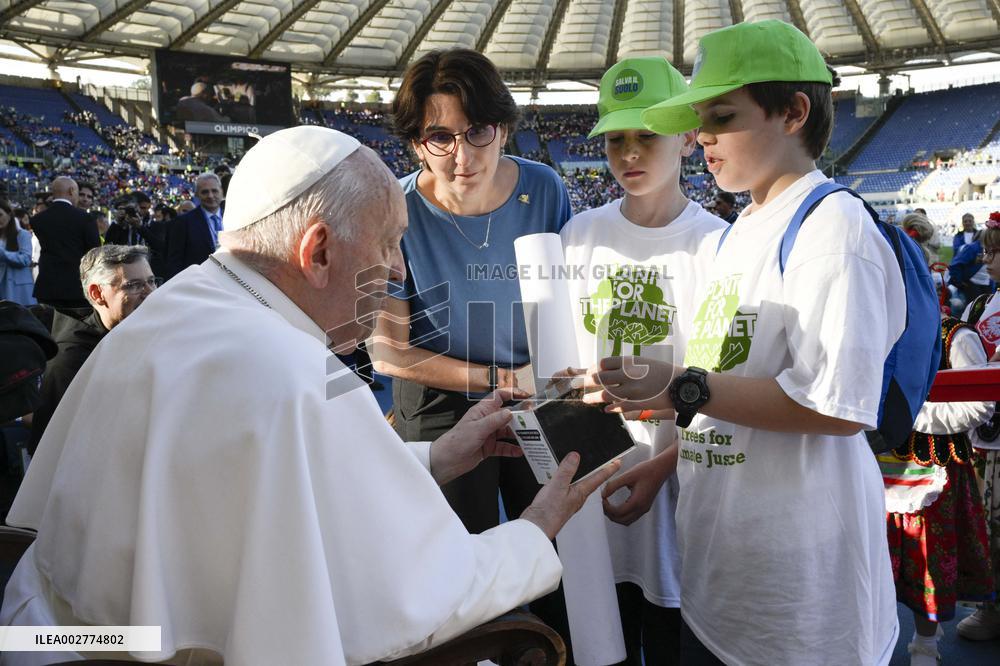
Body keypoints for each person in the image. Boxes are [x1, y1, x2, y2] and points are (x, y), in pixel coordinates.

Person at [1, 126, 618, 666]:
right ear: (318, 251)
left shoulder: (177, 304)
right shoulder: (293, 369)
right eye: (386, 243)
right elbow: (411, 598)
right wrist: (535, 530)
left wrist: (438, 456)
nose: (399, 270)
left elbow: (298, 484)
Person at [588, 20, 904, 664]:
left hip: (800, 607)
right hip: (724, 586)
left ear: (793, 112)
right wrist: (665, 467)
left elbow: (835, 408)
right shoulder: (745, 226)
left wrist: (677, 384)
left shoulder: (833, 230)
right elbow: (735, 389)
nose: (703, 135)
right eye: (700, 118)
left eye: (723, 116)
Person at [371, 48, 574, 653]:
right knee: (461, 558)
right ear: (416, 143)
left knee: (555, 542)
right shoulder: (395, 210)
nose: (463, 155)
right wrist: (498, 378)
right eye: (440, 136)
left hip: (534, 387)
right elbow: (388, 352)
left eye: (477, 131)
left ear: (502, 127)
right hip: (436, 397)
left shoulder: (543, 188)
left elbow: (560, 302)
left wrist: (538, 375)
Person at [560, 56, 725, 666]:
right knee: (602, 641)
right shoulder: (578, 235)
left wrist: (664, 465)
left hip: (680, 486)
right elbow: (569, 364)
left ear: (687, 136)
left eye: (646, 136)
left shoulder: (715, 244)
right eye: (616, 139)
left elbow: (723, 387)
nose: (629, 154)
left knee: (672, 633)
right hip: (595, 482)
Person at [878, 223, 994, 665]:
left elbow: (977, 405)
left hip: (934, 473)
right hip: (880, 469)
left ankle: (926, 644)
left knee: (929, 565)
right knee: (880, 563)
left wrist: (906, 413)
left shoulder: (956, 337)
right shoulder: (878, 337)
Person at [27, 244, 159, 455]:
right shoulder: (74, 359)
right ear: (97, 293)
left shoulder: (140, 330)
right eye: (133, 285)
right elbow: (56, 444)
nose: (150, 293)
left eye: (151, 282)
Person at [957, 212, 1000, 642]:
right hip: (983, 436)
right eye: (985, 250)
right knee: (986, 525)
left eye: (994, 251)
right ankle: (990, 609)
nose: (986, 261)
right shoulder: (979, 305)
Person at [29, 176, 101, 309]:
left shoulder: (37, 220)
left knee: (49, 327)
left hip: (47, 286)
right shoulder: (85, 218)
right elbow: (95, 251)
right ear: (72, 191)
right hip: (77, 287)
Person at [165, 173, 224, 279]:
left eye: (214, 191)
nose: (210, 196)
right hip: (198, 284)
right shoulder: (183, 222)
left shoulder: (236, 217)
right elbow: (174, 262)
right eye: (205, 192)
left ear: (221, 192)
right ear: (197, 194)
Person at [0, 198, 35, 306]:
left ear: (9, 214)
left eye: (0, 215)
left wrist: (3, 254)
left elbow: (25, 259)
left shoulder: (22, 234)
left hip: (19, 292)